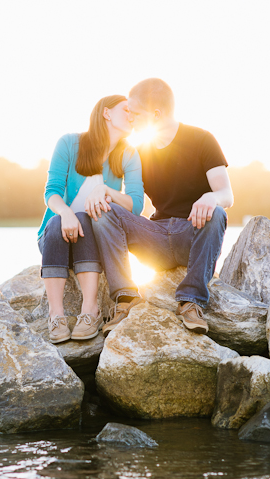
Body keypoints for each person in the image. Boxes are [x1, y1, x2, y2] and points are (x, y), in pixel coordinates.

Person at [90, 78, 234, 336]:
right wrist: (105, 194)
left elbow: (226, 194)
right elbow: (133, 205)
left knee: (218, 213)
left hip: (192, 234)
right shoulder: (137, 153)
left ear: (155, 114)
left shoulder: (202, 139)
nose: (130, 117)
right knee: (105, 210)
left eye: (134, 112)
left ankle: (191, 301)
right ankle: (125, 298)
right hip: (154, 239)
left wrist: (211, 198)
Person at [37, 94, 144, 344]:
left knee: (86, 218)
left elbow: (136, 205)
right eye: (127, 110)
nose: (133, 116)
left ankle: (90, 311)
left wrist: (107, 191)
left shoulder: (129, 154)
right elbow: (51, 192)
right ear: (106, 113)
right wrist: (64, 213)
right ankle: (56, 315)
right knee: (58, 221)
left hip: (92, 244)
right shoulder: (69, 143)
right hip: (56, 237)